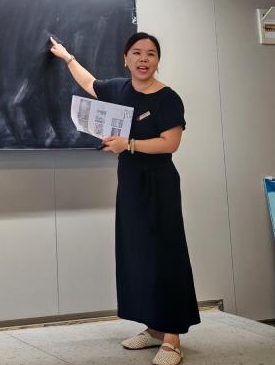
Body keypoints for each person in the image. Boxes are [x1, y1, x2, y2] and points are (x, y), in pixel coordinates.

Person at [50, 32, 199, 365]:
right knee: (138, 254)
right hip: (130, 182)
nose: (143, 59)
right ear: (125, 58)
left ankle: (173, 338)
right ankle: (154, 328)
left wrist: (128, 144)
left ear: (157, 61)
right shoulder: (119, 89)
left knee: (164, 256)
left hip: (159, 184)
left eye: (151, 54)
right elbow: (89, 83)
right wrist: (67, 57)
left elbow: (171, 143)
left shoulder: (168, 98)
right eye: (137, 53)